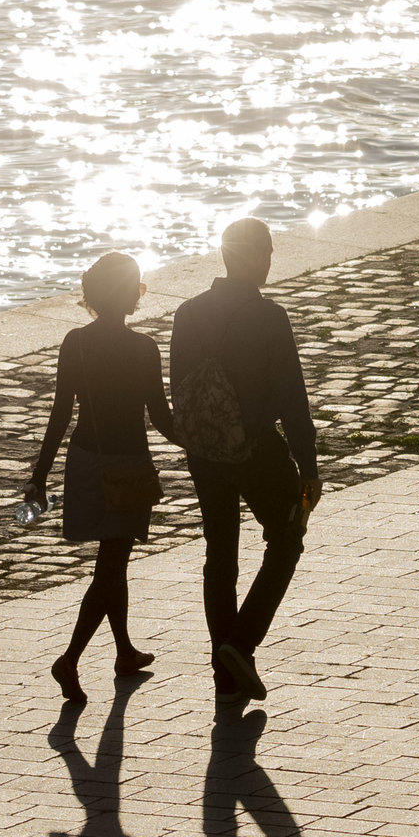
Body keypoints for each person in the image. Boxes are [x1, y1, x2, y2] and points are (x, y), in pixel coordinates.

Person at [165, 218, 322, 700]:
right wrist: (309, 468)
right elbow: (293, 400)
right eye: (268, 253)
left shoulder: (188, 313)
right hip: (256, 448)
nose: (270, 261)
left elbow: (181, 390)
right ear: (253, 257)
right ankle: (240, 641)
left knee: (221, 555)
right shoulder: (268, 317)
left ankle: (224, 675)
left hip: (206, 452)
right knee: (286, 538)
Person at [28, 251, 183, 702]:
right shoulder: (142, 348)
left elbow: (60, 413)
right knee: (111, 566)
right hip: (127, 464)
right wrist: (201, 445)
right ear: (133, 294)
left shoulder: (75, 343)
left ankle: (123, 651)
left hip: (85, 460)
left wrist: (39, 476)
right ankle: (70, 659)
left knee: (113, 563)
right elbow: (160, 417)